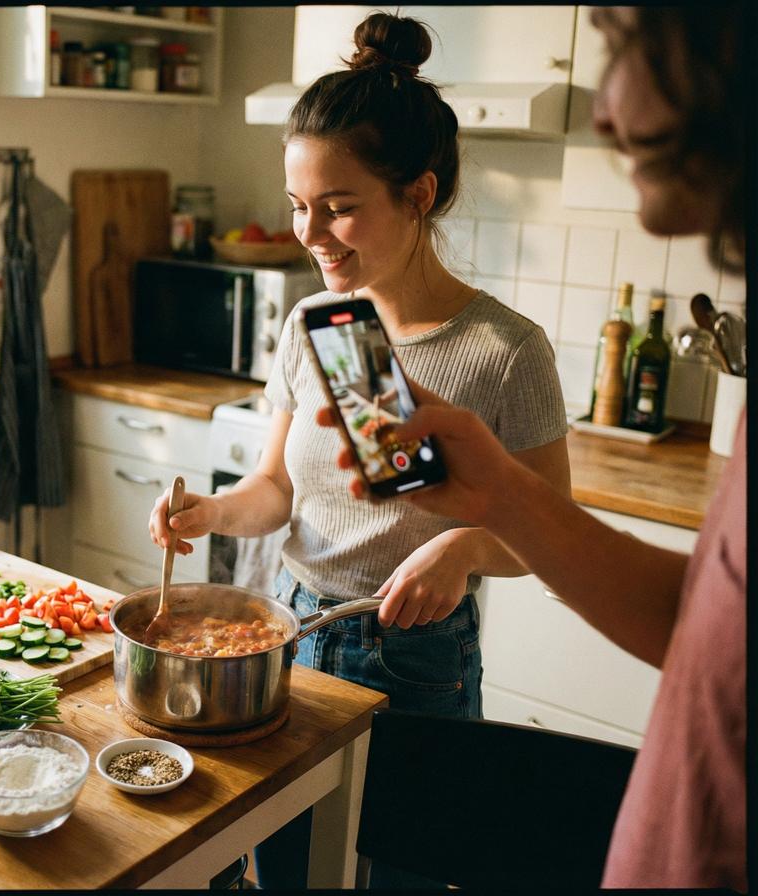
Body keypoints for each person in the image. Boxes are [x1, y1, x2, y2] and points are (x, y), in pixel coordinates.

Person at [316, 5, 747, 890]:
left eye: (630, 43)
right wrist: (497, 500)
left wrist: (483, 533)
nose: (600, 107)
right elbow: (700, 631)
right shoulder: (324, 325)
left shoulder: (505, 346)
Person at [148, 11, 571, 889]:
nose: (311, 234)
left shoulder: (503, 350)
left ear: (418, 194)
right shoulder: (324, 326)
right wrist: (209, 512)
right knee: (289, 870)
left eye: (339, 209)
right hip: (286, 635)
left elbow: (549, 531)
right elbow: (276, 489)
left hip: (412, 660)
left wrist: (460, 548)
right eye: (300, 207)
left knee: (398, 875)